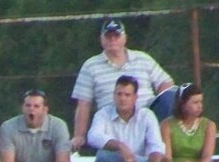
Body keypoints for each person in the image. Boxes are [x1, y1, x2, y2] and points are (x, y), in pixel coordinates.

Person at [70, 18, 176, 151]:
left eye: (116, 35)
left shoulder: (143, 58)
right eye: (108, 36)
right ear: (101, 39)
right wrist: (79, 136)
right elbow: (83, 104)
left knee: (171, 96)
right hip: (112, 121)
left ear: (124, 38)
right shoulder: (90, 66)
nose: (112, 39)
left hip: (145, 118)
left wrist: (155, 109)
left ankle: (166, 144)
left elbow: (166, 83)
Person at [87, 75, 165, 162]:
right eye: (119, 94)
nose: (122, 98)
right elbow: (93, 137)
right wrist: (121, 147)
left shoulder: (146, 115)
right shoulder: (103, 114)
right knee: (103, 156)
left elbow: (156, 146)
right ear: (114, 95)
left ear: (135, 97)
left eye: (127, 95)